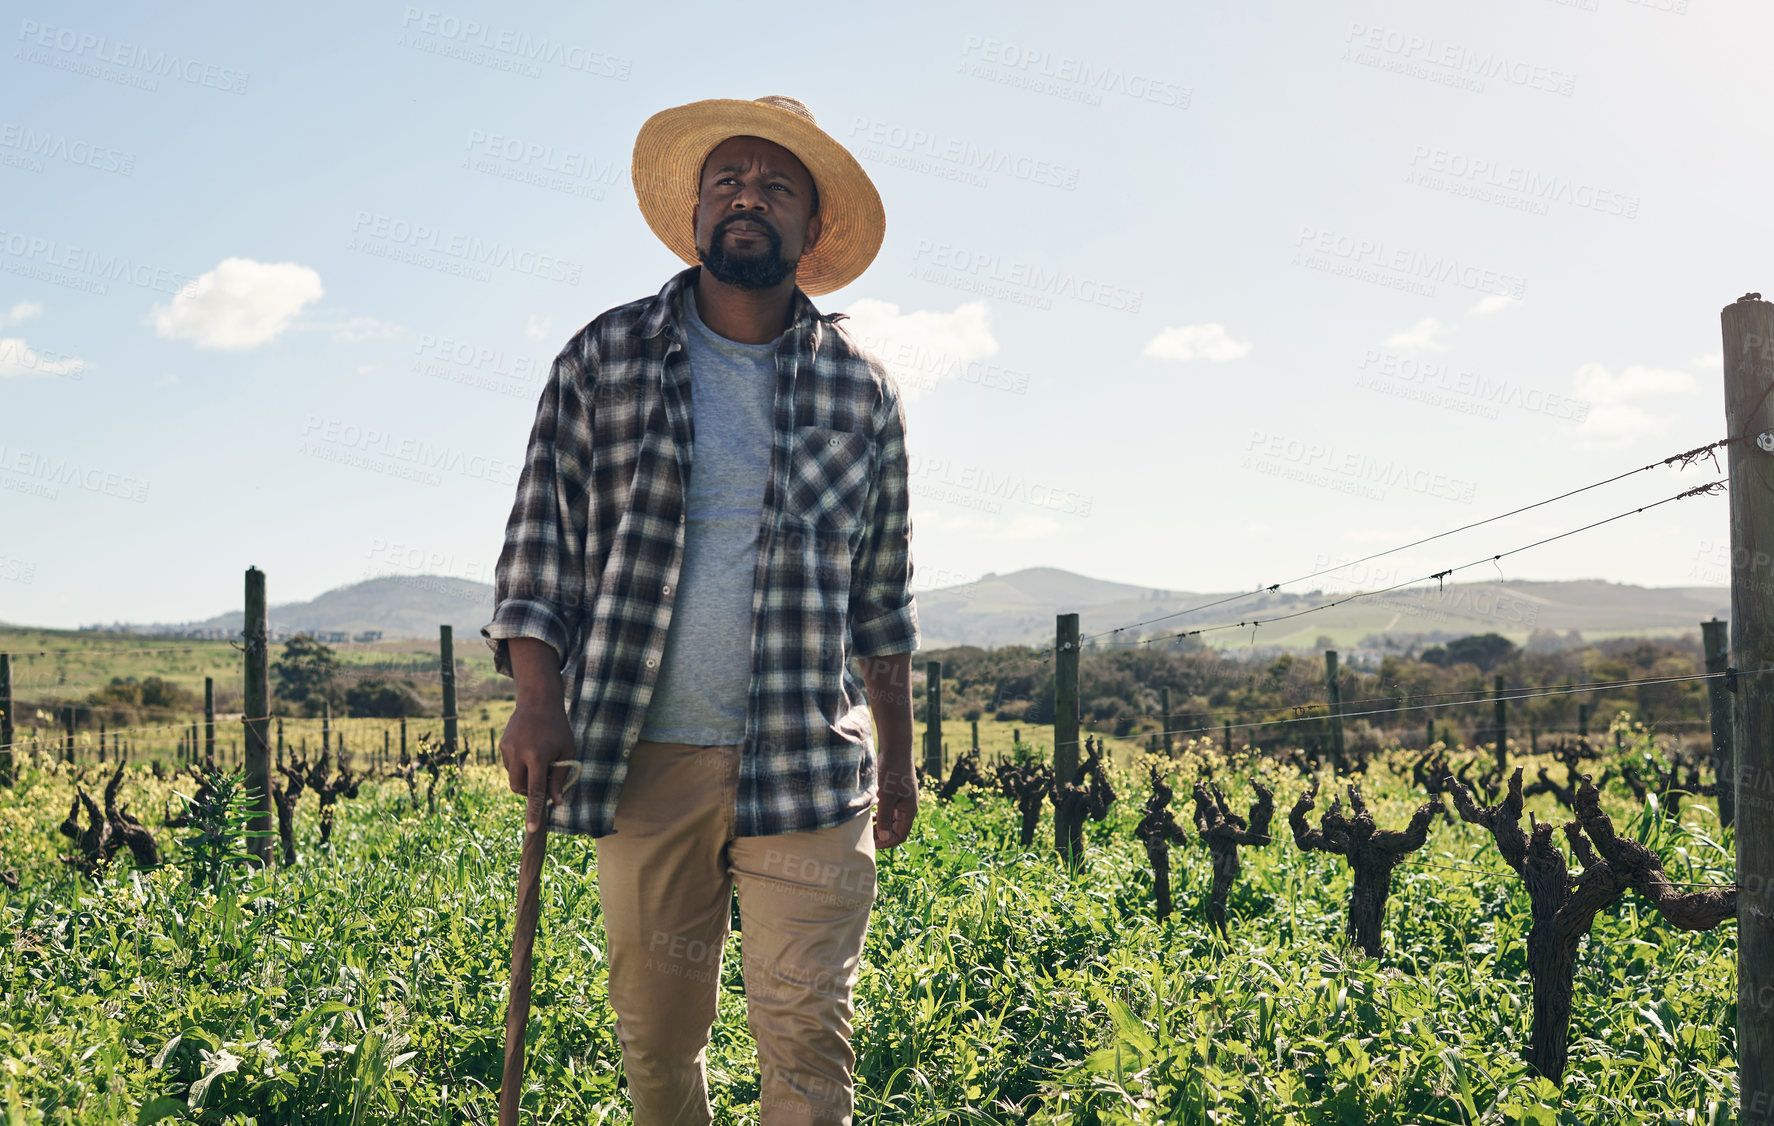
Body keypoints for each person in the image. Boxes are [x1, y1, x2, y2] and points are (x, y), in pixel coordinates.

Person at [481, 94, 919, 1126]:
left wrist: (896, 756)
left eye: (775, 186)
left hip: (807, 761)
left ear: (812, 231)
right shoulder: (606, 356)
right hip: (645, 752)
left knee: (809, 1037)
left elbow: (882, 595)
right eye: (726, 181)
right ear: (693, 218)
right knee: (656, 1034)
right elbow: (539, 543)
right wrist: (537, 701)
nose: (745, 199)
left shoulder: (862, 389)